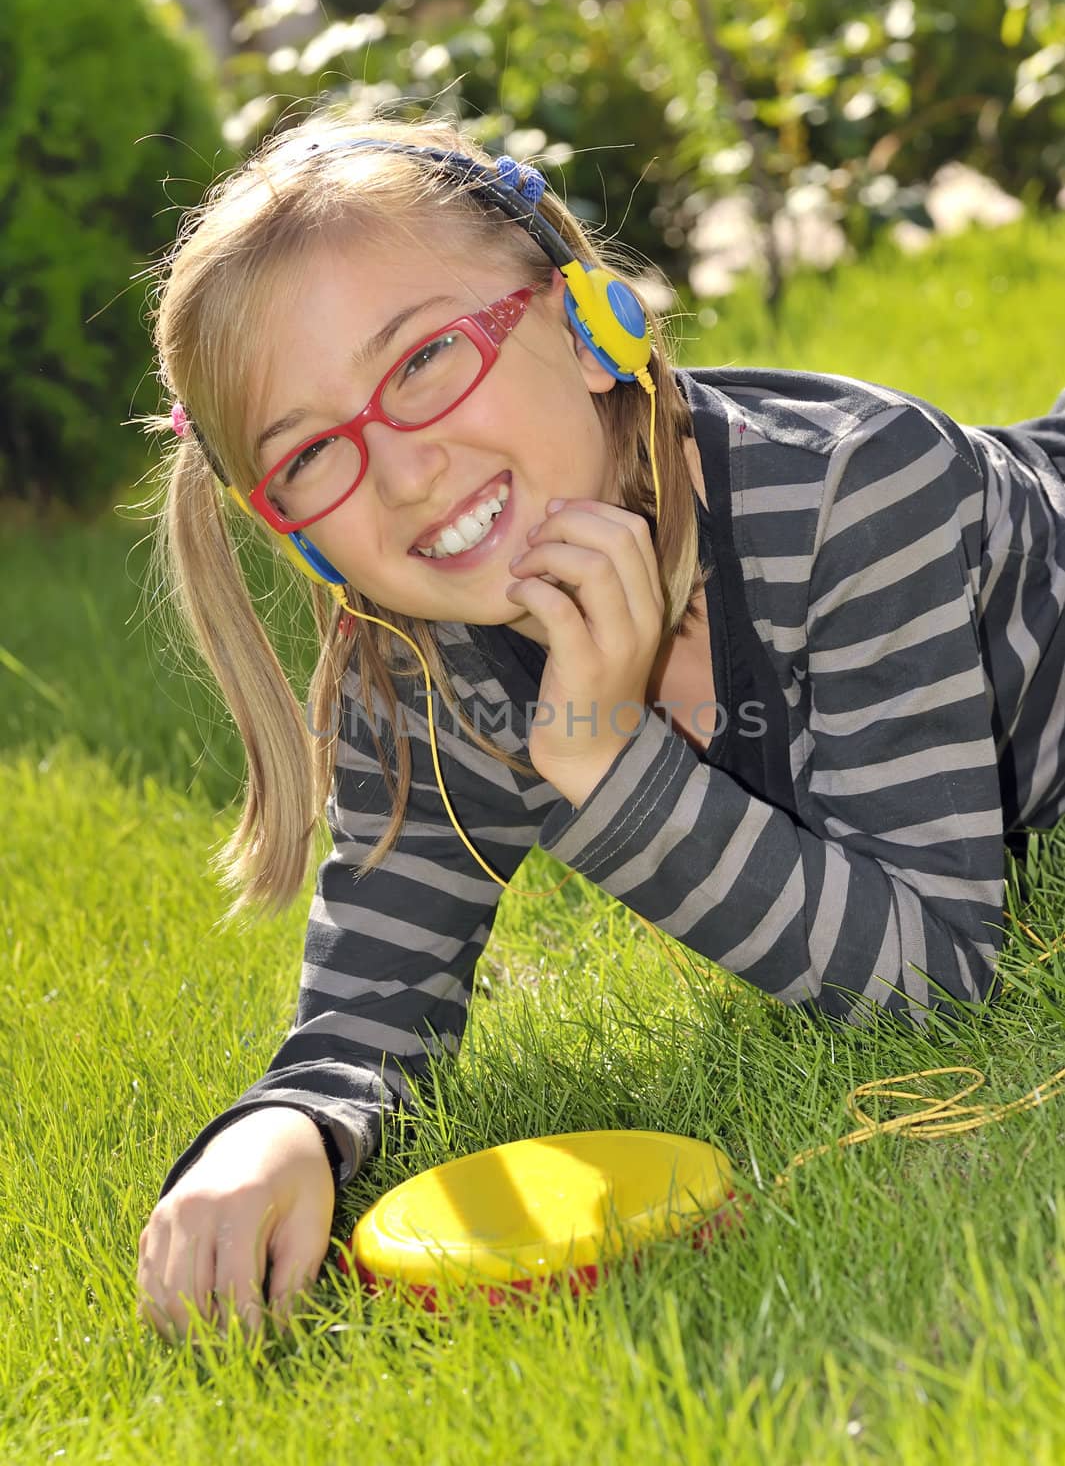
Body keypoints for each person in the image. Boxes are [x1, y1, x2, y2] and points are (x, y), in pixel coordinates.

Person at [134, 106, 1065, 1344]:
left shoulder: (859, 493)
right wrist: (281, 1130)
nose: (406, 471)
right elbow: (370, 1005)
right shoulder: (419, 666)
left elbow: (943, 977)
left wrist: (604, 761)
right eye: (312, 452)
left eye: (422, 360)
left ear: (588, 324)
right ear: (289, 524)